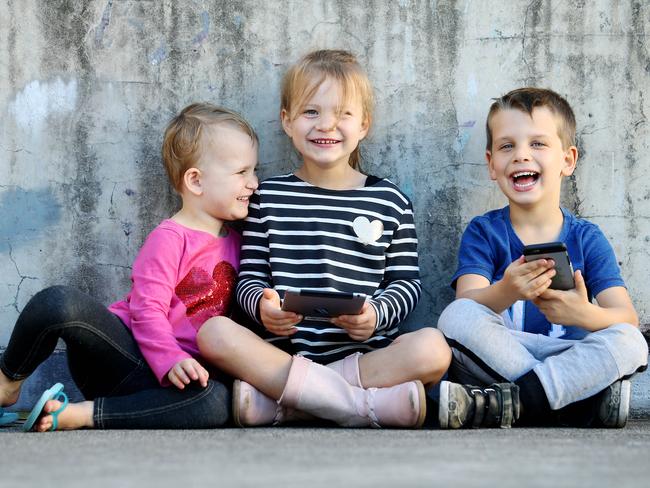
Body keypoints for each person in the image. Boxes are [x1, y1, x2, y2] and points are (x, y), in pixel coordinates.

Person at [197, 49, 451, 429]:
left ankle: (290, 405)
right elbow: (249, 279)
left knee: (433, 348)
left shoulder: (390, 200)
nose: (326, 125)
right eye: (311, 112)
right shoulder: (268, 197)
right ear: (287, 121)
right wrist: (263, 308)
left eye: (343, 114)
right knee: (214, 333)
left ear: (364, 124)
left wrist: (376, 315)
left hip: (366, 359)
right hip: (283, 356)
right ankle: (361, 406)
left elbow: (406, 284)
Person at [0, 103, 259, 431]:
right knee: (58, 302)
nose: (254, 182)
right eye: (242, 172)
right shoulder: (170, 238)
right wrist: (170, 358)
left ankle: (83, 415)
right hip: (125, 360)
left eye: (255, 170)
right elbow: (147, 310)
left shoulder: (242, 243)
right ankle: (8, 378)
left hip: (165, 392)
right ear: (196, 181)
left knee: (216, 403)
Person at [436, 88, 648, 429]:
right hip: (504, 354)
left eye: (537, 144)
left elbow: (626, 317)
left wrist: (583, 313)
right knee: (454, 318)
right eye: (508, 146)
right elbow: (467, 304)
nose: (521, 155)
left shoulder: (586, 237)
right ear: (491, 164)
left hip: (570, 357)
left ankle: (511, 403)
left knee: (631, 342)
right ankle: (580, 405)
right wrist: (506, 290)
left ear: (567, 160)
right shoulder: (484, 231)